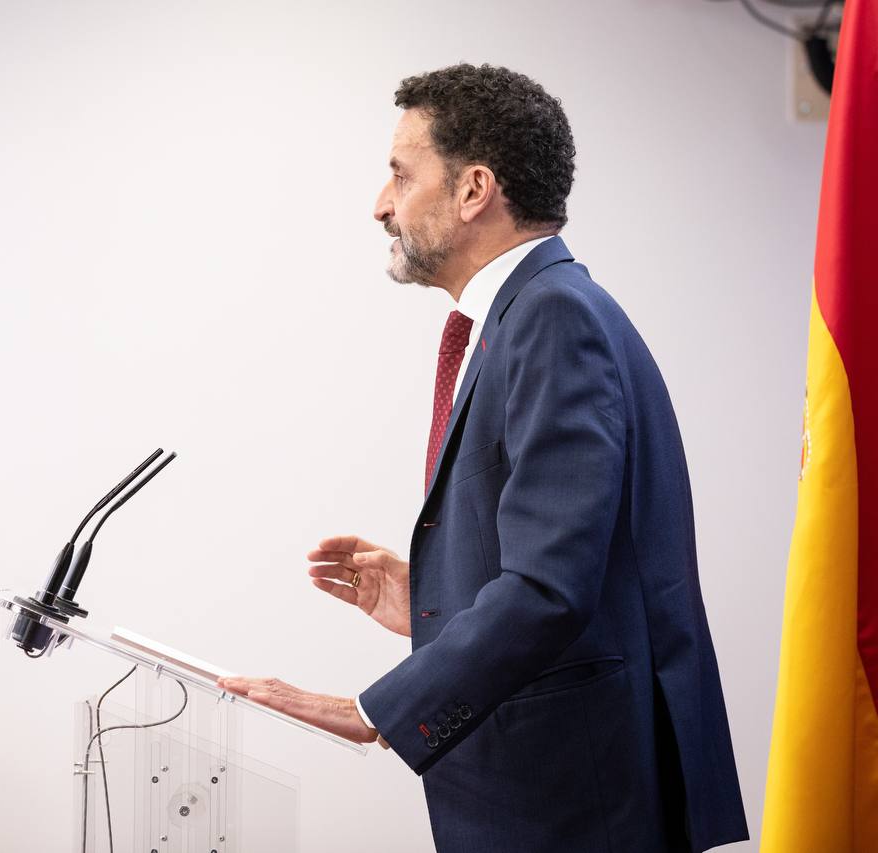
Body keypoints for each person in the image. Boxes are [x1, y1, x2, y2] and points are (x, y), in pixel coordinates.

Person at [218, 63, 749, 851]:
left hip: (572, 803)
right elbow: (567, 566)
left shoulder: (552, 317)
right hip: (553, 791)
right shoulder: (529, 313)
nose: (380, 204)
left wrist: (371, 712)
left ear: (473, 190)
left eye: (400, 174)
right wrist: (439, 599)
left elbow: (548, 588)